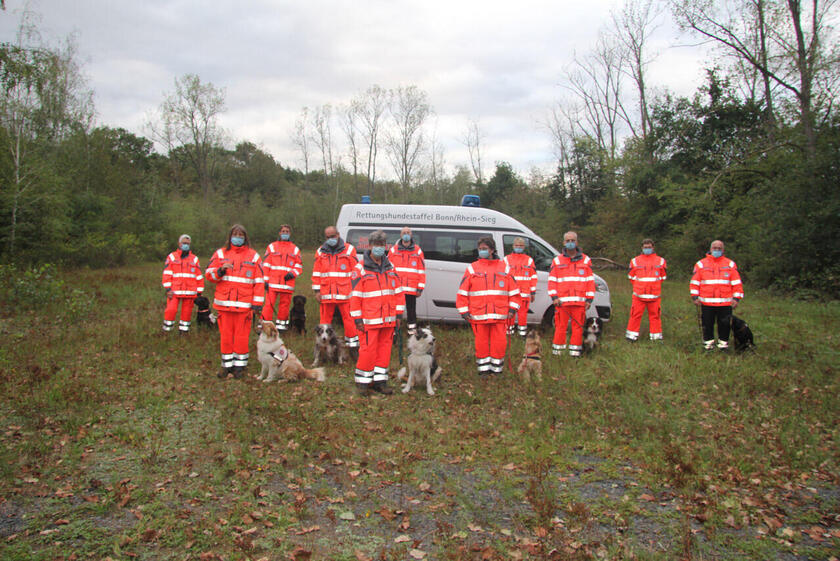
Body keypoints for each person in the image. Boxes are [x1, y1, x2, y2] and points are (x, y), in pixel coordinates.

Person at [205, 224, 265, 379]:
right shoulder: (220, 254)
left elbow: (259, 281)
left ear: (245, 237)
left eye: (241, 235)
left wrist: (257, 303)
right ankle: (226, 366)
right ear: (230, 236)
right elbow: (209, 275)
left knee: (241, 337)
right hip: (224, 305)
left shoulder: (253, 256)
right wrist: (219, 271)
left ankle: (240, 367)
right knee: (225, 337)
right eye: (235, 234)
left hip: (244, 307)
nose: (238, 237)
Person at [350, 230, 405, 396]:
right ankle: (363, 384)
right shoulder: (360, 269)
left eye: (382, 245)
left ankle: (380, 382)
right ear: (370, 246)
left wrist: (399, 314)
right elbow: (355, 297)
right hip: (368, 320)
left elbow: (398, 292)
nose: (379, 248)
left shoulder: (391, 267)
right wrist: (357, 318)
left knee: (384, 351)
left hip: (388, 320)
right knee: (368, 351)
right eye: (376, 245)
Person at [456, 236, 519, 375]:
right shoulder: (472, 268)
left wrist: (513, 309)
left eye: (484, 249)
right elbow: (462, 292)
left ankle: (497, 370)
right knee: (481, 343)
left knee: (499, 343)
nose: (481, 251)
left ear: (492, 250)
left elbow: (514, 292)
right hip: (478, 315)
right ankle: (483, 371)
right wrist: (464, 311)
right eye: (480, 249)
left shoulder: (505, 268)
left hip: (500, 315)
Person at [312, 226, 362, 352]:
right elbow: (316, 273)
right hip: (326, 294)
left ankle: (353, 347)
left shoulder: (349, 250)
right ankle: (322, 348)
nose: (330, 239)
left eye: (333, 236)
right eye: (328, 237)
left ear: (338, 235)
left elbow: (355, 272)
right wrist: (317, 291)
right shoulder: (320, 252)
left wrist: (355, 291)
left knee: (350, 321)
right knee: (324, 322)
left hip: (345, 294)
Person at [548, 231, 595, 357]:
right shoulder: (557, 261)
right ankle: (558, 353)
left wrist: (589, 300)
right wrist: (554, 297)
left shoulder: (586, 260)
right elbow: (552, 281)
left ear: (577, 242)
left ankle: (575, 353)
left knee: (577, 328)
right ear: (563, 243)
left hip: (579, 303)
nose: (570, 243)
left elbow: (590, 281)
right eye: (567, 241)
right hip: (562, 302)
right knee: (560, 328)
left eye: (572, 240)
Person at [690, 240, 744, 350]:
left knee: (724, 325)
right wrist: (695, 297)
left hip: (725, 302)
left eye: (719, 248)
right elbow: (695, 282)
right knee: (707, 324)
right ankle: (708, 345)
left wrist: (736, 298)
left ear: (723, 250)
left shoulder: (730, 264)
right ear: (710, 249)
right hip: (706, 302)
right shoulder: (701, 264)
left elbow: (737, 283)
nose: (717, 250)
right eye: (715, 248)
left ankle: (723, 345)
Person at [261, 224, 303, 331]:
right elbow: (266, 265)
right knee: (268, 306)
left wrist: (292, 273)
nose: (285, 233)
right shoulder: (272, 247)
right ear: (279, 233)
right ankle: (266, 326)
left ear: (290, 234)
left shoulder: (295, 249)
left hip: (287, 283)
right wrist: (265, 280)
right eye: (283, 231)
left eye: (287, 232)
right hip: (272, 282)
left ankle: (281, 327)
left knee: (284, 306)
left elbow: (299, 265)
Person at [625, 238, 667, 342]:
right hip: (638, 295)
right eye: (645, 247)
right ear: (641, 248)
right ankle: (631, 337)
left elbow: (662, 277)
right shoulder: (634, 261)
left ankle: (656, 338)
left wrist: (653, 286)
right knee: (635, 315)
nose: (647, 249)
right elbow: (631, 277)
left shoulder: (661, 261)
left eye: (649, 247)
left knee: (655, 317)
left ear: (653, 248)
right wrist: (640, 287)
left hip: (654, 296)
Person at [161, 234, 204, 333]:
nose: (186, 245)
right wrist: (168, 289)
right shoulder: (172, 257)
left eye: (188, 243)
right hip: (174, 291)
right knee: (170, 310)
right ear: (179, 243)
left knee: (187, 312)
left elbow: (199, 276)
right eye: (184, 243)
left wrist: (199, 291)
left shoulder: (194, 259)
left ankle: (184, 332)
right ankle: (167, 331)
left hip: (190, 292)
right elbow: (167, 273)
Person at [388, 226, 425, 336]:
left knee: (411, 312)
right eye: (404, 232)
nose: (406, 234)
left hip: (411, 288)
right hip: (396, 289)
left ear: (411, 235)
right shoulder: (394, 250)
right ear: (400, 235)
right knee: (394, 310)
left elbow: (421, 271)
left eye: (408, 232)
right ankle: (393, 332)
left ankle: (412, 333)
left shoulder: (417, 250)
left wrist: (420, 288)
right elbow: (388, 269)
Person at [503, 237, 537, 337]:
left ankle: (522, 336)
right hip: (511, 294)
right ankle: (509, 335)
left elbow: (533, 277)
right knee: (510, 315)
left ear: (524, 247)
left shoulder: (529, 260)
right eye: (517, 245)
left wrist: (533, 292)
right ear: (513, 246)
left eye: (521, 246)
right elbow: (503, 277)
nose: (518, 247)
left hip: (524, 294)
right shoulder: (506, 259)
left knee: (523, 316)